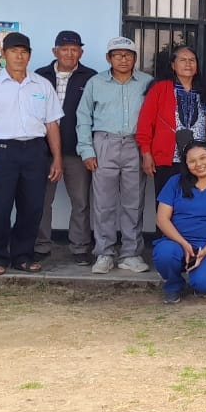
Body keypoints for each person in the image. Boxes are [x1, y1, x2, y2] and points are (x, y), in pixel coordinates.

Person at [0, 32, 63, 275]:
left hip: (36, 152)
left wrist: (57, 159)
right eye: (13, 51)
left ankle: (23, 256)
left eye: (24, 52)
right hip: (2, 153)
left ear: (29, 55)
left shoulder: (42, 85)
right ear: (3, 54)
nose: (19, 56)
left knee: (32, 208)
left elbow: (52, 124)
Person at [77, 36, 153, 274]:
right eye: (118, 55)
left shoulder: (146, 82)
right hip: (104, 143)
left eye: (128, 55)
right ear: (108, 58)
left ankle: (131, 253)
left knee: (134, 202)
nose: (123, 59)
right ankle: (104, 253)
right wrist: (86, 150)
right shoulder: (95, 82)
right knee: (103, 203)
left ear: (135, 59)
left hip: (134, 145)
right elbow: (82, 117)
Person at [36, 30, 97, 262]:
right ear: (55, 51)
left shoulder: (90, 77)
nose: (70, 54)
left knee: (81, 201)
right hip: (42, 150)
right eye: (65, 49)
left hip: (76, 150)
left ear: (81, 52)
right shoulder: (39, 76)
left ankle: (80, 248)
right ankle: (41, 245)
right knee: (41, 200)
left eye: (75, 49)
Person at [151, 141, 206, 304]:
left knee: (205, 284)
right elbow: (162, 219)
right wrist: (183, 244)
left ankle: (198, 277)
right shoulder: (175, 182)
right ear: (186, 164)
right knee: (164, 254)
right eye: (192, 161)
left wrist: (204, 251)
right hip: (175, 241)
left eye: (203, 158)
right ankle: (174, 284)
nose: (199, 164)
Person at [136, 45, 206, 198]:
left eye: (192, 60)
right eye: (182, 60)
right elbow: (145, 122)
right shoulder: (160, 88)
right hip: (168, 159)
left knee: (195, 203)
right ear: (173, 66)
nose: (188, 64)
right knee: (166, 204)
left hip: (199, 160)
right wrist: (146, 153)